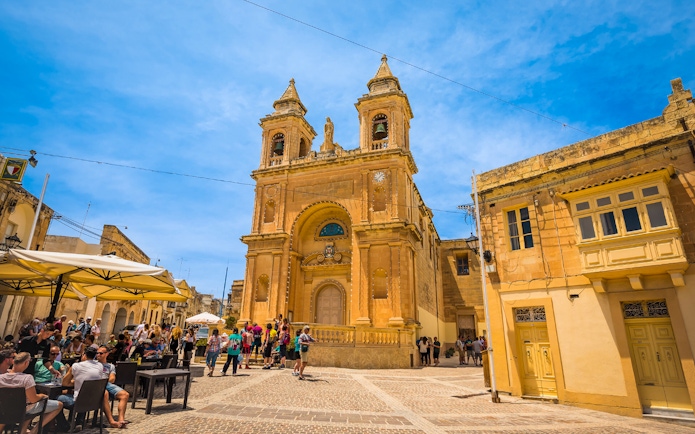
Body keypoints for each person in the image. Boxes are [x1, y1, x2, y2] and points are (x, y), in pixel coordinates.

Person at [59, 347, 124, 430]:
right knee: (84, 394)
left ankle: (63, 424)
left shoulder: (76, 366)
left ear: (84, 355)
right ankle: (79, 422)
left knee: (56, 399)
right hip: (94, 402)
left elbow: (64, 383)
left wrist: (74, 380)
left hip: (78, 402)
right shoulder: (100, 366)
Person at [0, 352, 64, 434]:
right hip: (24, 410)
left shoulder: (1, 377)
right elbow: (33, 399)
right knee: (59, 405)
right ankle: (34, 431)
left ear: (13, 362)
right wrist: (41, 396)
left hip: (5, 409)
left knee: (30, 407)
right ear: (26, 363)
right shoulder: (27, 378)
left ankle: (23, 431)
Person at [96, 345, 130, 426]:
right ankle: (112, 422)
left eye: (101, 353)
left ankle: (121, 419)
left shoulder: (110, 366)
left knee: (125, 395)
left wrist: (106, 380)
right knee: (105, 394)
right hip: (96, 384)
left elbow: (112, 378)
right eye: (97, 353)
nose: (98, 355)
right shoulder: (93, 364)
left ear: (106, 354)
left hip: (107, 383)